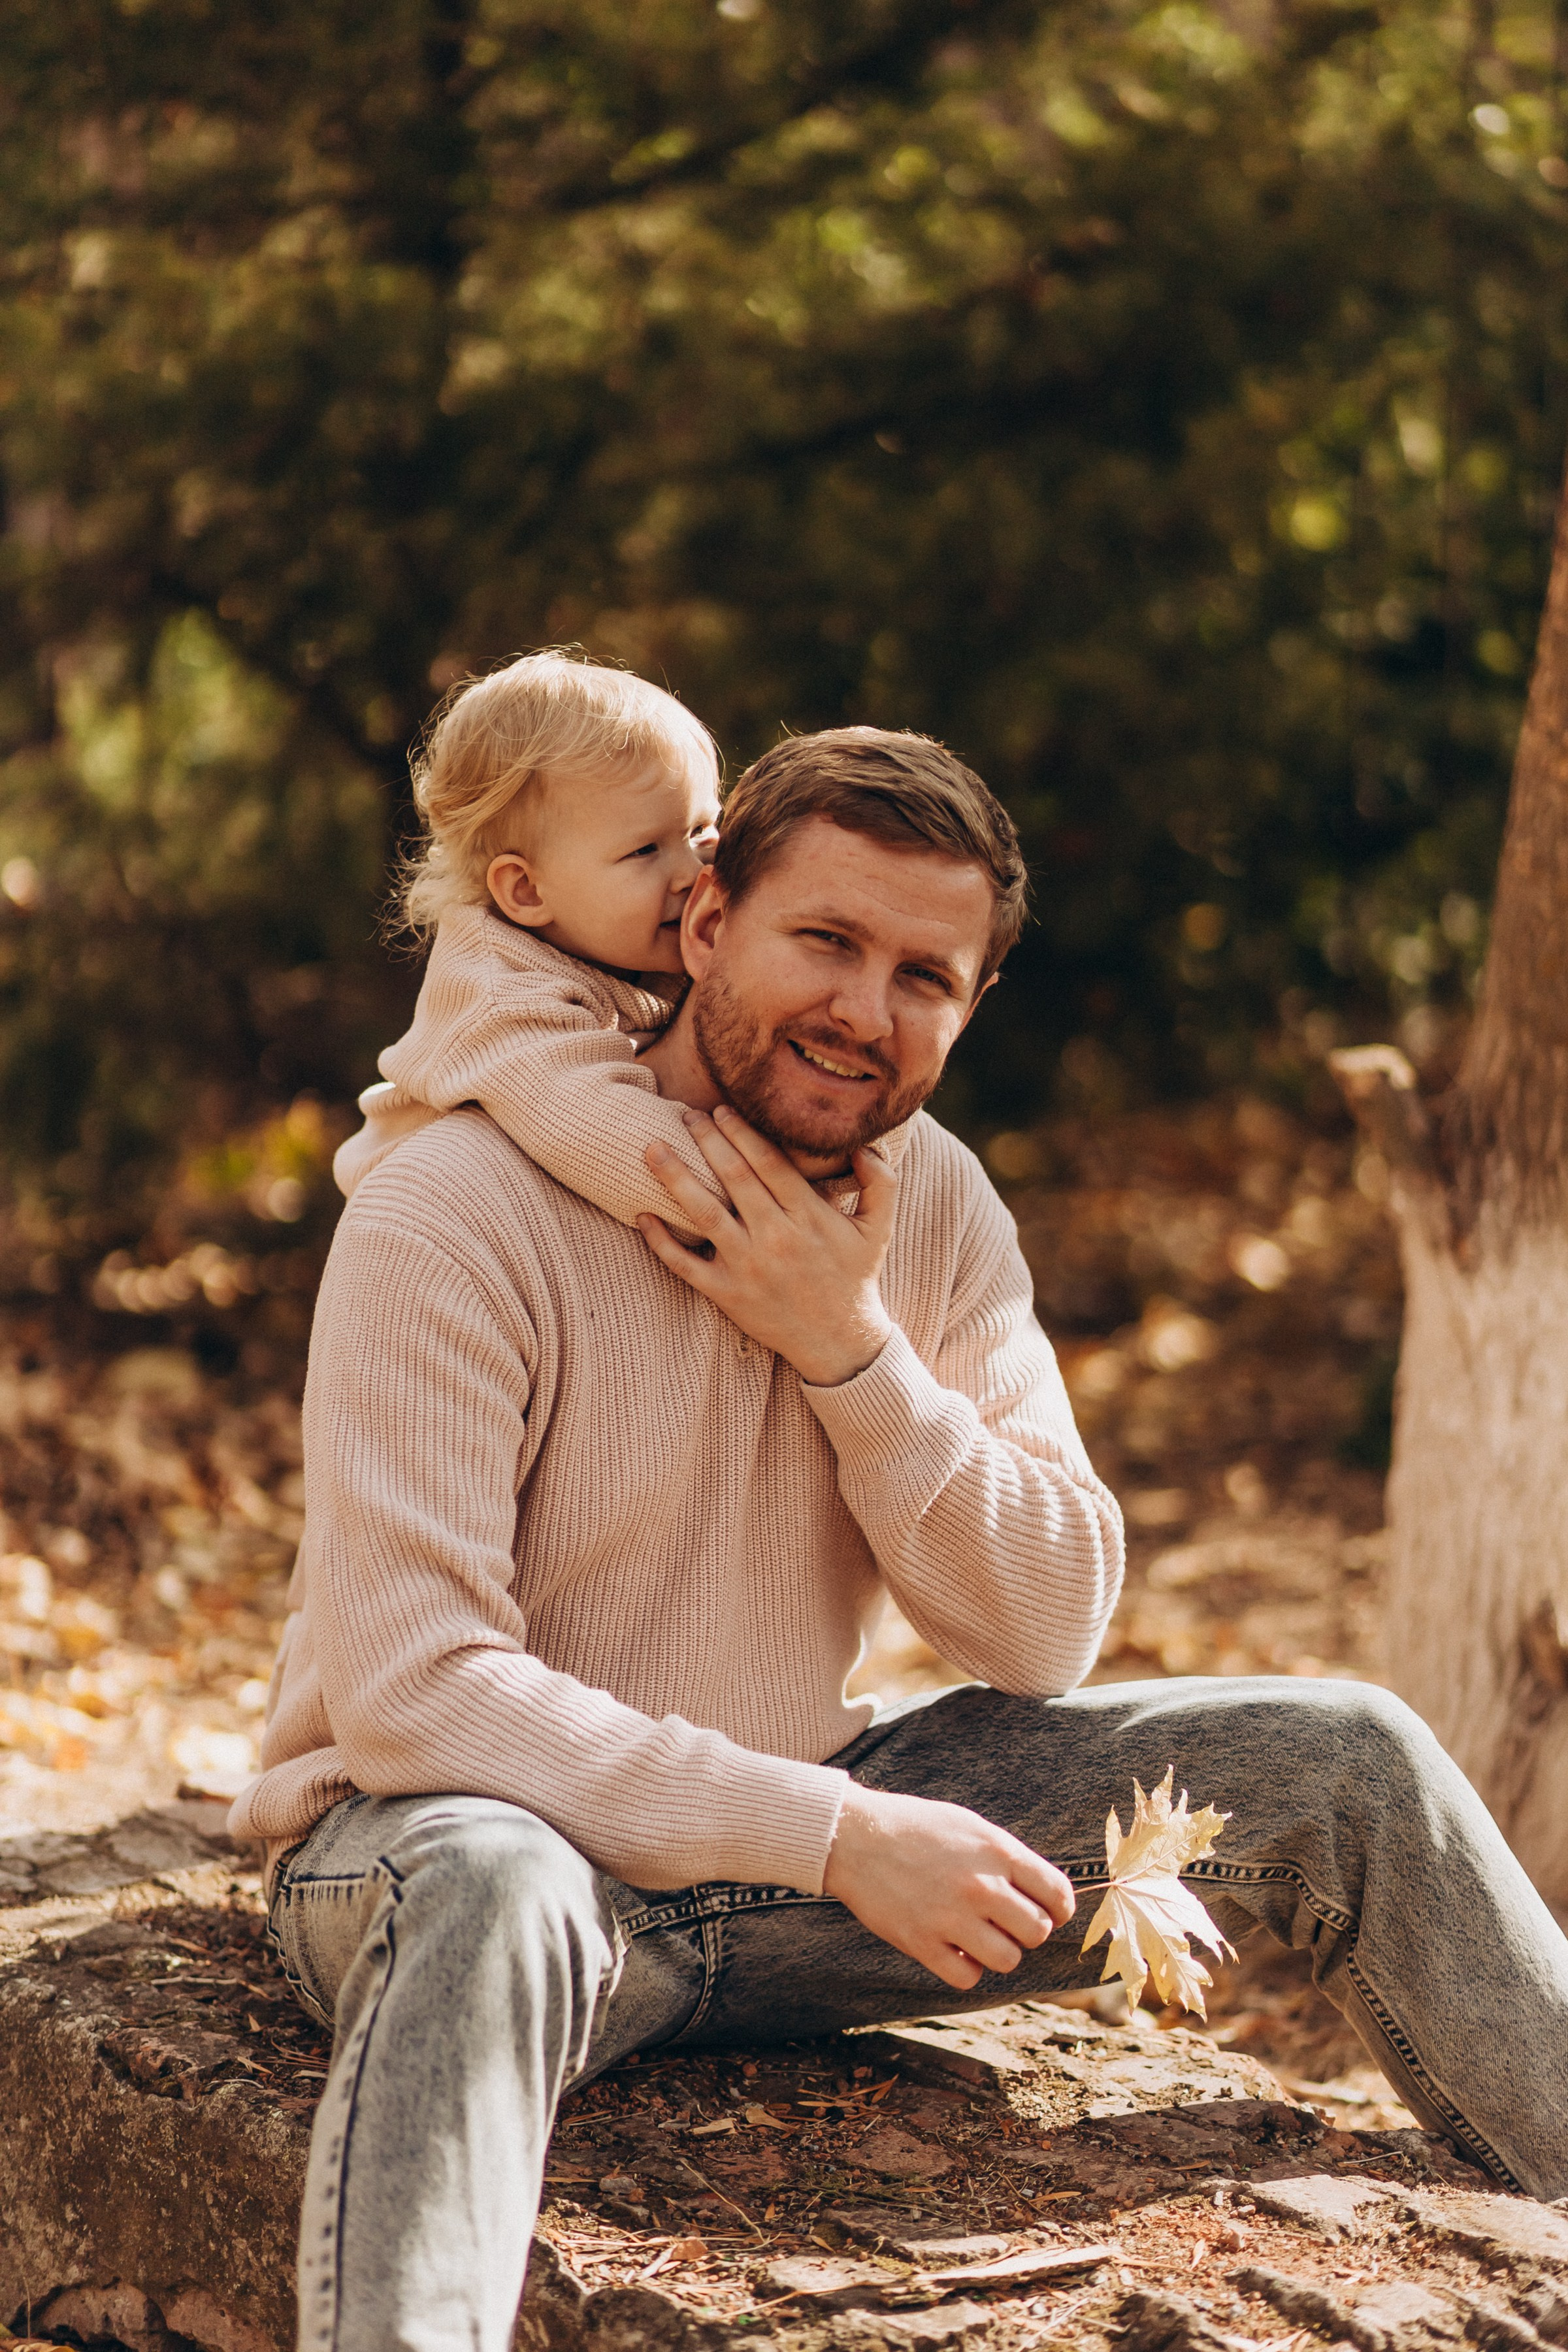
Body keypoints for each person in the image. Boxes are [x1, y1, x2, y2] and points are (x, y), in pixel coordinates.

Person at [234, 727, 1568, 2352]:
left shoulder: (927, 1204)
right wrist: (834, 1835)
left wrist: (850, 1352)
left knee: (1345, 1754)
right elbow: (417, 1694)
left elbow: (1044, 1625)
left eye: (921, 976)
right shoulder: (454, 1207)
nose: (864, 1012)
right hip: (453, 1858)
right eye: (825, 940)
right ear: (703, 919)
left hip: (778, 1876)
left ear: (972, 1001)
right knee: (501, 1872)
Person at [333, 649, 733, 1236]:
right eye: (646, 850)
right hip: (453, 1237)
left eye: (700, 831)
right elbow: (649, 1166)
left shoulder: (627, 938)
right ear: (525, 890)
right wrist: (799, 1202)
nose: (692, 873)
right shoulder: (500, 1000)